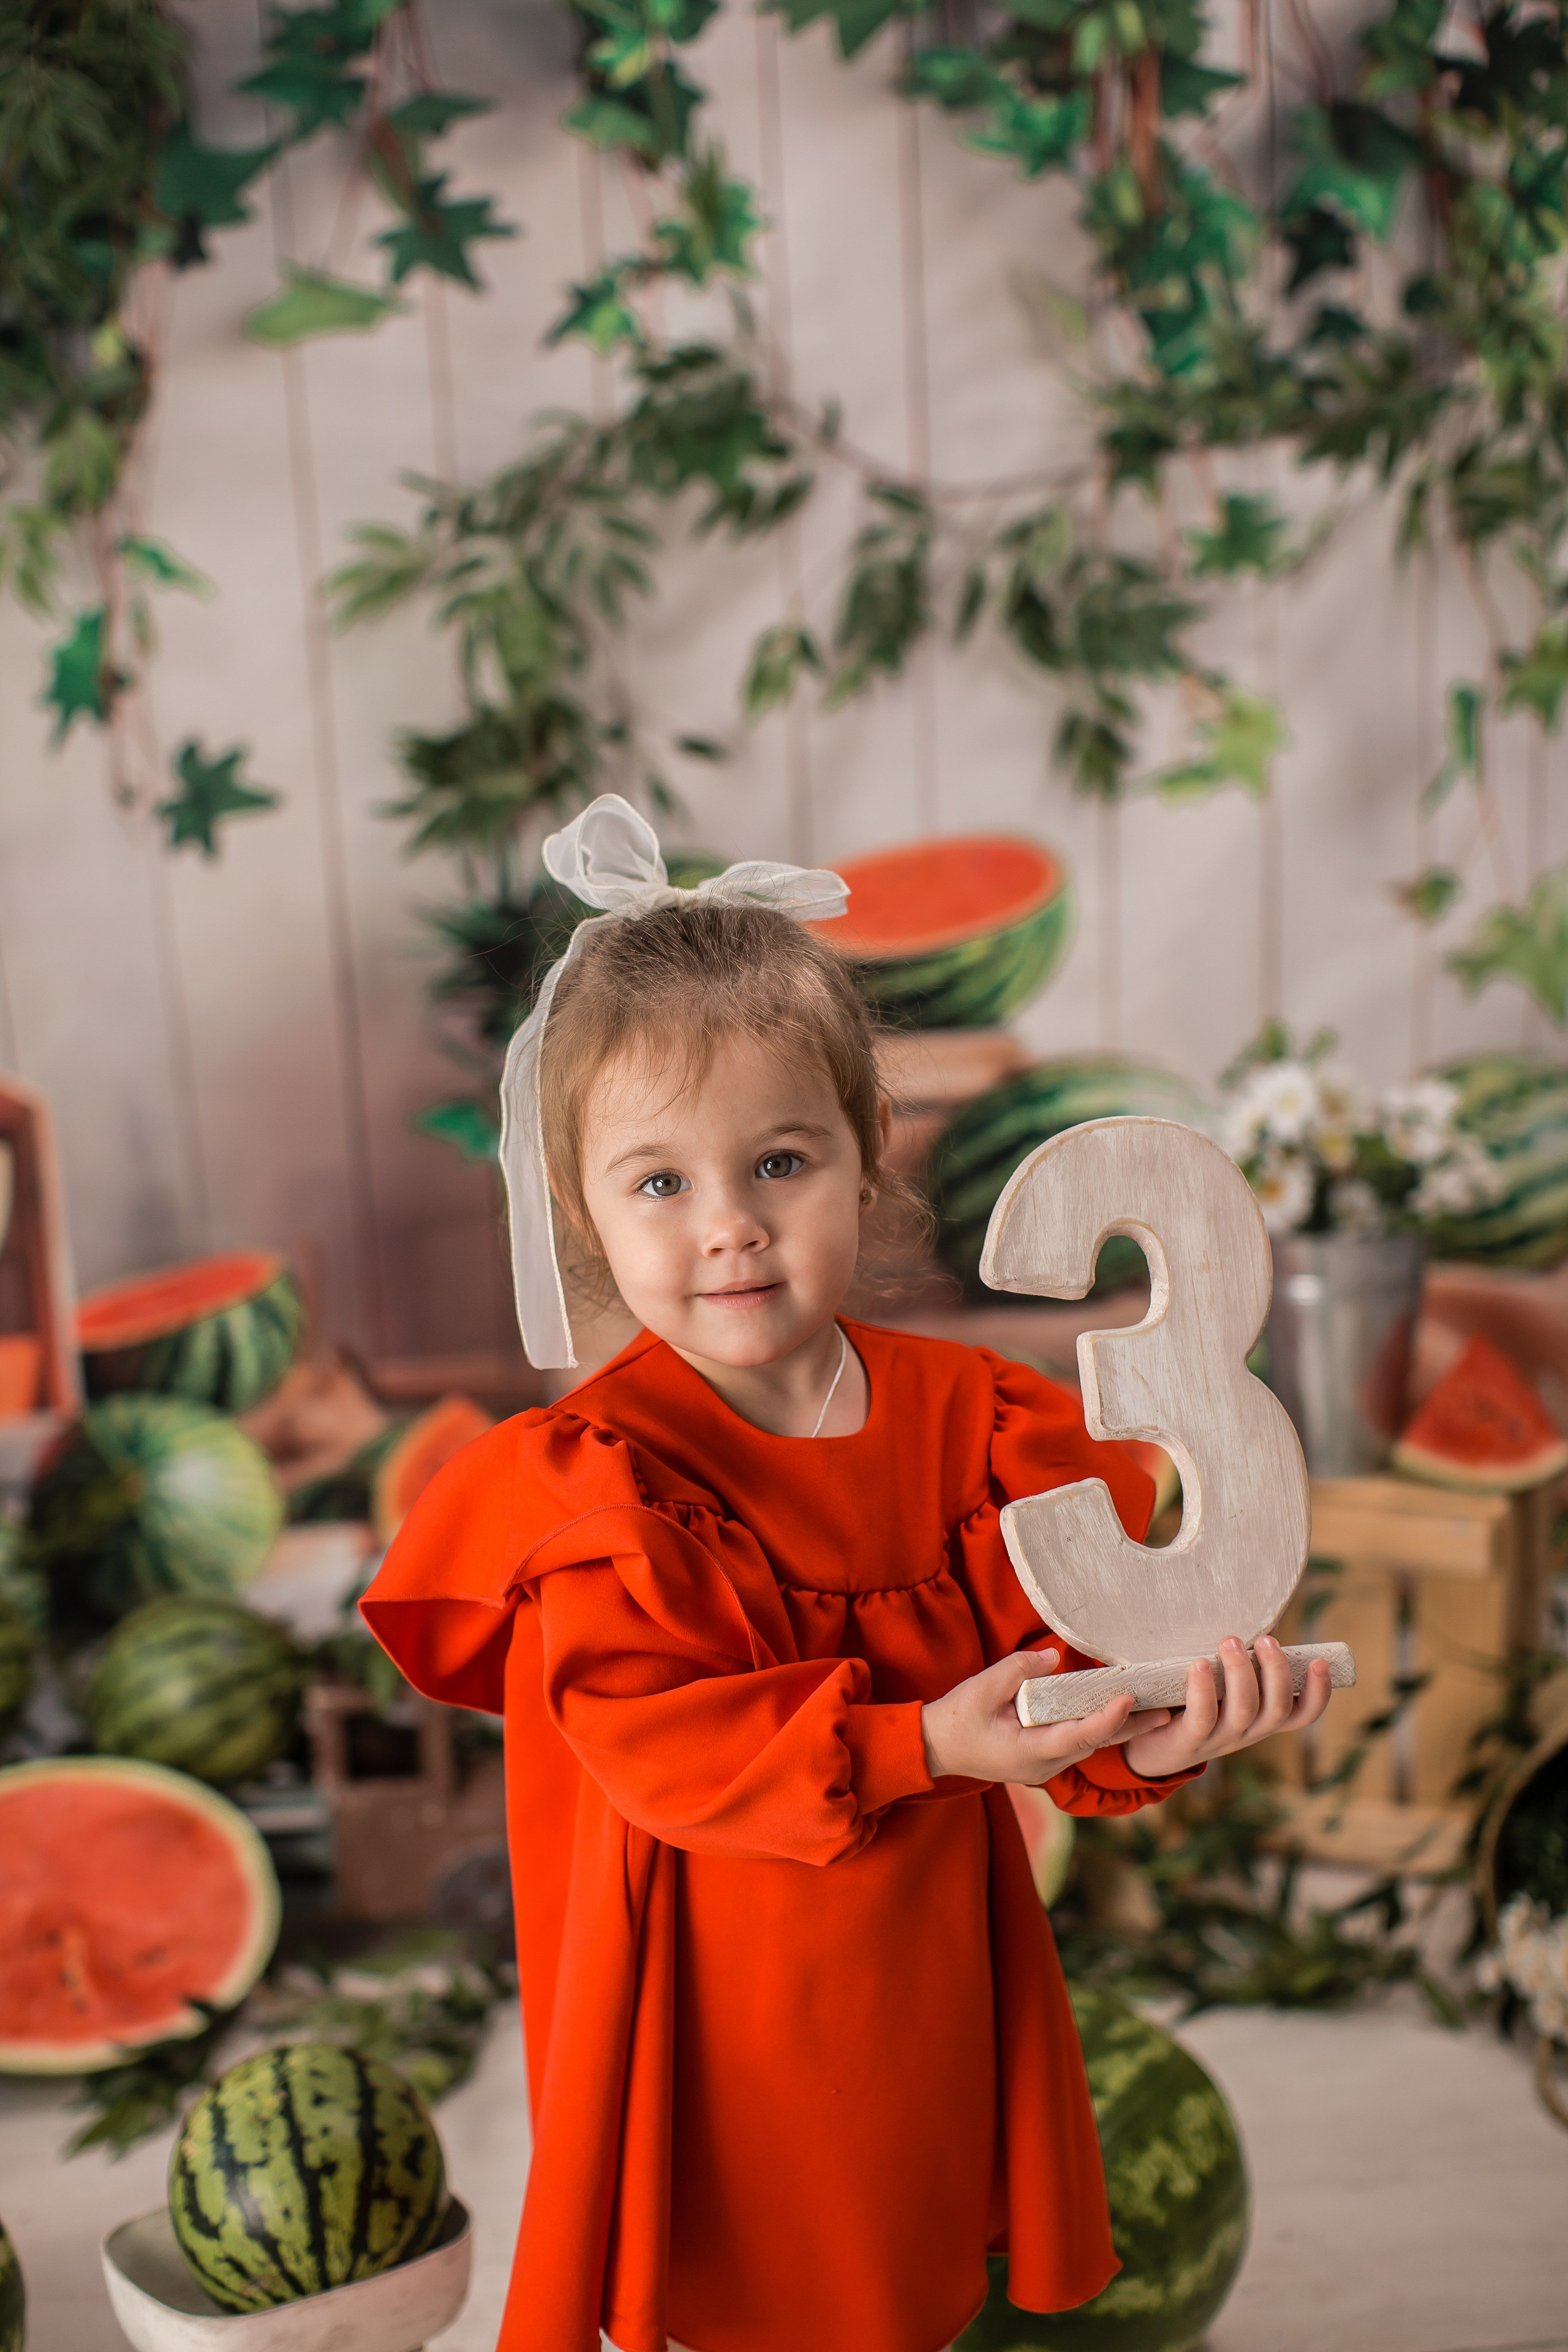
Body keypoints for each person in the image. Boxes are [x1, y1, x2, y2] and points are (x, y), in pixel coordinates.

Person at [360, 796, 1333, 2352]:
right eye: (658, 1184)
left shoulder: (977, 1428)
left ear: (865, 1159)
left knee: (906, 2282)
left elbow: (1058, 1677)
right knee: (742, 2291)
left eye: (780, 1162)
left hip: (917, 1983)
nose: (730, 1228)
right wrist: (924, 1743)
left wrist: (1166, 1722)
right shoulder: (597, 1480)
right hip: (713, 1994)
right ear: (584, 1215)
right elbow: (655, 1745)